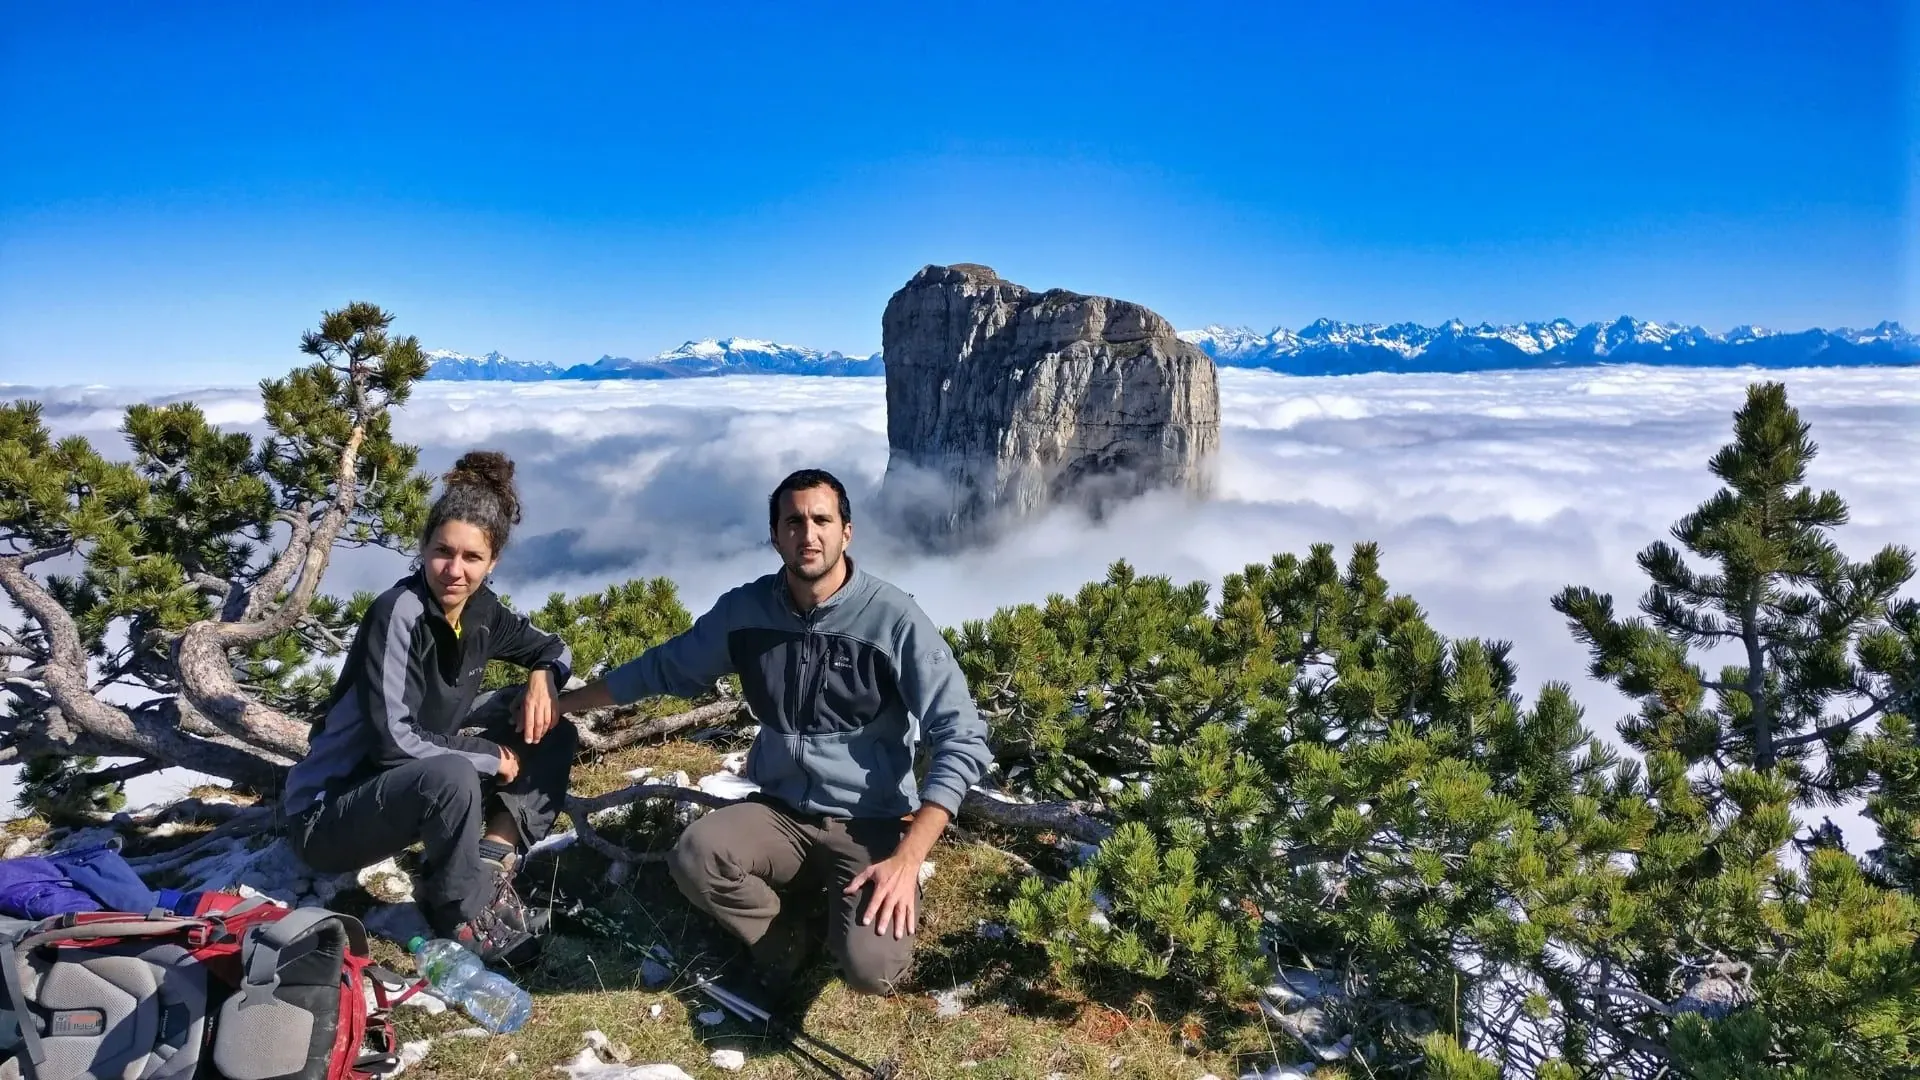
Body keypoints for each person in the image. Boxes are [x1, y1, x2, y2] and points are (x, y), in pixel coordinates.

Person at [556, 468, 994, 999]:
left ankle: (839, 905)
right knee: (696, 854)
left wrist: (908, 857)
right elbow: (665, 668)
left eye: (822, 520)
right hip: (779, 810)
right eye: (794, 521)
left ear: (846, 532)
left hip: (869, 821)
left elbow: (962, 733)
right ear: (775, 534)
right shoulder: (747, 612)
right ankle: (785, 942)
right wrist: (563, 704)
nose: (808, 534)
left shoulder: (892, 619)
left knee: (873, 971)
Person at [282, 451, 577, 964]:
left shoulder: (483, 613)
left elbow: (554, 648)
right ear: (422, 548)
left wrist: (541, 679)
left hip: (400, 791)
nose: (454, 571)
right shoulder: (399, 613)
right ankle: (460, 911)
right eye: (443, 552)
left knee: (550, 726)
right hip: (327, 817)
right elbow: (394, 741)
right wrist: (487, 756)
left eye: (472, 558)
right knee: (453, 774)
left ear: (493, 562)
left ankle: (491, 856)